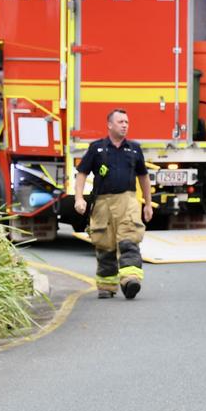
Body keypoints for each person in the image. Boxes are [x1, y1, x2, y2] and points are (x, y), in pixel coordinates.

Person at [73, 108, 153, 300]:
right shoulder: (97, 148)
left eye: (127, 122)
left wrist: (148, 204)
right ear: (110, 125)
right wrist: (79, 198)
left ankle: (130, 279)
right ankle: (107, 286)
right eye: (120, 122)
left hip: (128, 201)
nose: (125, 125)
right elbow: (82, 173)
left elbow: (144, 177)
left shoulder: (134, 149)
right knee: (105, 244)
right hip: (102, 204)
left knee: (129, 240)